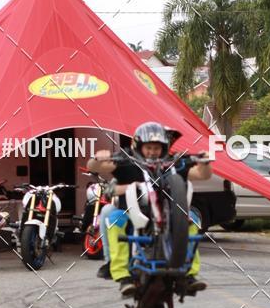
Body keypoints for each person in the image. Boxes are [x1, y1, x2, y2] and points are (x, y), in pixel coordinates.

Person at [88, 122, 212, 297]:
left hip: (170, 213)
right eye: (149, 147)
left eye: (157, 148)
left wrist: (205, 162)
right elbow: (95, 167)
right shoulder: (127, 161)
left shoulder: (174, 163)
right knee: (114, 218)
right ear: (139, 147)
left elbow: (202, 175)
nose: (153, 151)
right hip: (133, 213)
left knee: (192, 217)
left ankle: (190, 274)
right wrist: (98, 157)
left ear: (164, 148)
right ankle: (123, 276)